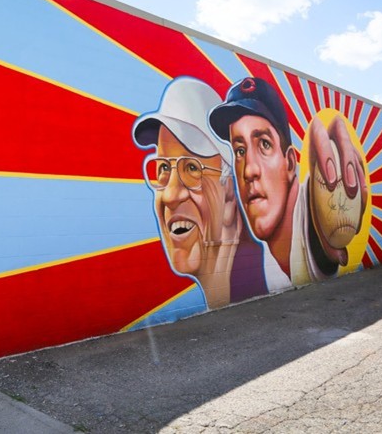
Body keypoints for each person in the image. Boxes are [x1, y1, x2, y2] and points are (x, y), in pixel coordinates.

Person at [209, 77, 368, 286]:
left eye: (264, 144)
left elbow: (313, 221)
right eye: (240, 150)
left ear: (291, 163)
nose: (249, 170)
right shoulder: (269, 270)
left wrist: (323, 214)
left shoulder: (310, 214)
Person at [134, 77, 271, 308]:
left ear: (228, 191)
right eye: (163, 168)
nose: (170, 196)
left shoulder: (265, 277)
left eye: (192, 169)